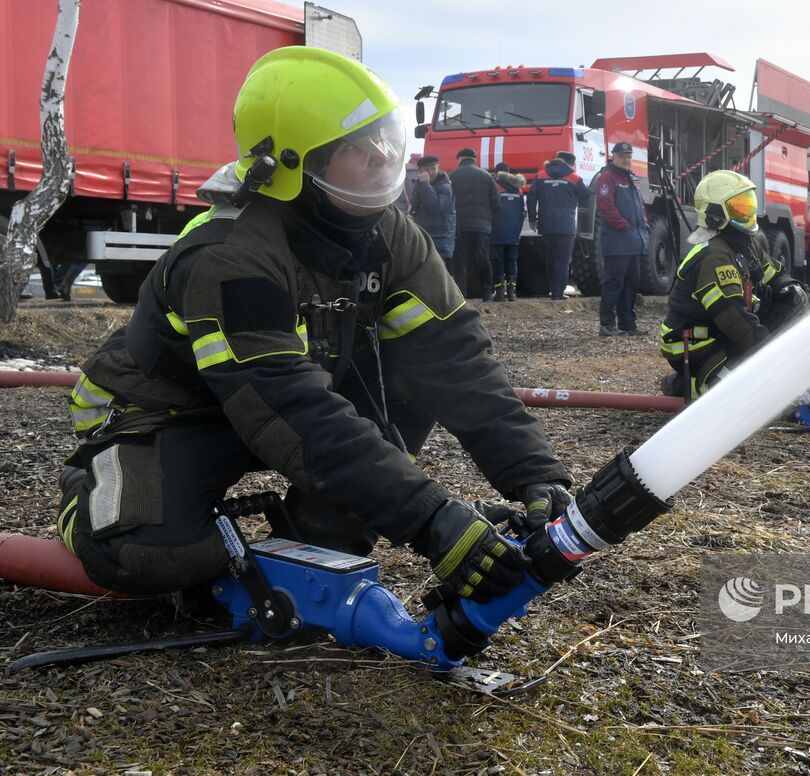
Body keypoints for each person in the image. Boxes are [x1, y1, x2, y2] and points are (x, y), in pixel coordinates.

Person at [55, 46, 572, 602]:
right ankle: (91, 496)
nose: (381, 156)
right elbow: (285, 406)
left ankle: (317, 538)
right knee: (142, 554)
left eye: (384, 138)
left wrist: (533, 474)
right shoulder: (230, 256)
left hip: (285, 398)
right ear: (299, 167)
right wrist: (432, 521)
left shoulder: (391, 235)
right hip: (177, 409)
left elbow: (455, 358)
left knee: (410, 381)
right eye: (358, 146)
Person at [659, 170, 806, 398]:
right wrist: (771, 357)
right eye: (739, 207)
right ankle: (682, 385)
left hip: (720, 333)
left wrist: (790, 287)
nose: (748, 213)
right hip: (695, 344)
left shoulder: (745, 244)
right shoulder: (714, 256)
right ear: (716, 212)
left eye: (749, 206)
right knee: (741, 394)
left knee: (789, 303)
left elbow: (773, 272)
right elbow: (734, 320)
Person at [594, 142, 649, 337]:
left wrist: (643, 224)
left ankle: (628, 324)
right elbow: (605, 206)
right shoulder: (607, 178)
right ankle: (607, 324)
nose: (626, 159)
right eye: (622, 155)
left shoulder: (631, 178)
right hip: (618, 242)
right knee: (614, 282)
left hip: (633, 241)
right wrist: (624, 226)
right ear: (614, 156)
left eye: (629, 155)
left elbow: (640, 206)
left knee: (631, 283)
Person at [526, 152, 592, 301]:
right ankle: (557, 292)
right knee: (563, 260)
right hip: (566, 225)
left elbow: (531, 198)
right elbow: (587, 194)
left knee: (551, 257)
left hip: (546, 224)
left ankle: (552, 288)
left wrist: (532, 219)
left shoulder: (541, 175)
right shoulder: (574, 177)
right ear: (570, 163)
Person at [448, 148, 500, 303]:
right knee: (483, 259)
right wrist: (489, 219)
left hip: (459, 225)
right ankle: (486, 294)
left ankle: (461, 296)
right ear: (474, 159)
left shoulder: (452, 175)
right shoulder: (487, 176)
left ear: (460, 159)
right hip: (482, 226)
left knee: (460, 261)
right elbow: (497, 202)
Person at [490, 162, 527, 301]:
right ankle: (512, 293)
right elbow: (522, 212)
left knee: (497, 261)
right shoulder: (518, 190)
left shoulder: (495, 188)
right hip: (514, 232)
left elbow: (492, 209)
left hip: (497, 231)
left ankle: (499, 293)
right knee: (512, 261)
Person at [411, 155, 455, 265]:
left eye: (433, 168)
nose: (430, 172)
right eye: (426, 169)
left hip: (439, 236)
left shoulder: (445, 186)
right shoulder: (419, 183)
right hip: (424, 232)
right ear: (420, 170)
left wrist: (425, 184)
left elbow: (434, 208)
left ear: (438, 168)